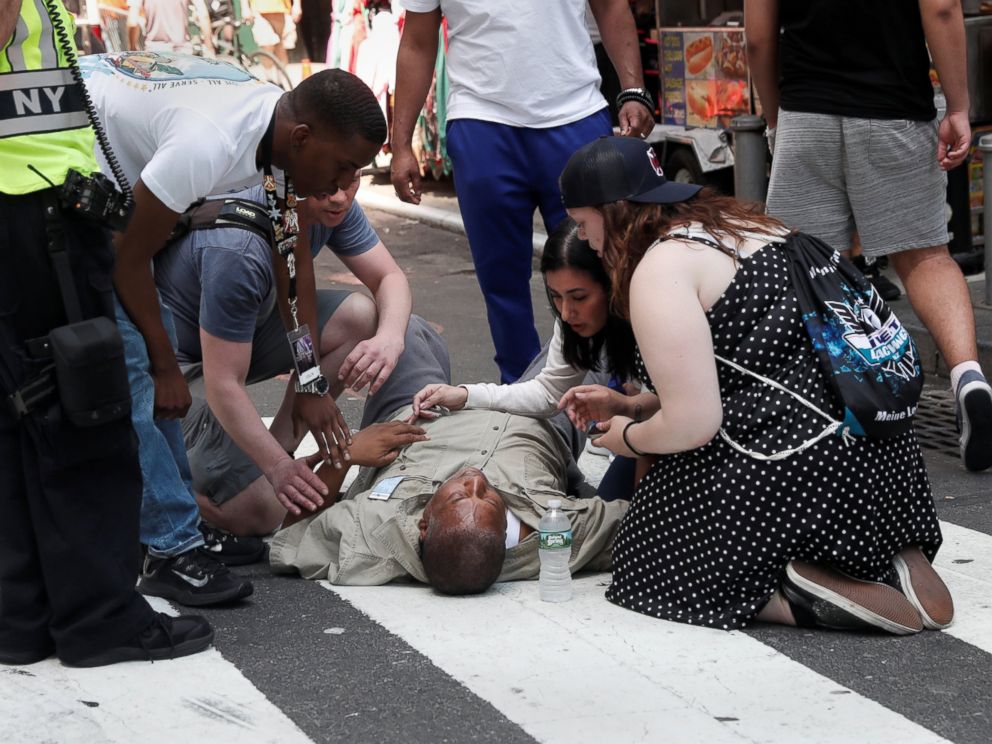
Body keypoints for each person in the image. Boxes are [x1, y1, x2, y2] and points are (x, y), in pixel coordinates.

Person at [559, 136, 953, 635]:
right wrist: (634, 405)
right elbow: (755, 372)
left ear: (613, 212)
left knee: (646, 551)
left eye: (584, 222)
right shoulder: (755, 226)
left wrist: (625, 436)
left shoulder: (661, 268)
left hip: (801, 474)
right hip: (884, 461)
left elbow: (695, 423)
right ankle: (890, 552)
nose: (585, 237)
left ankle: (794, 595)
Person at [79, 53, 385, 600]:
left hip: (125, 195)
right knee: (139, 374)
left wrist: (312, 382)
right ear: (303, 137)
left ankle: (177, 528)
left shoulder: (276, 141)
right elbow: (128, 260)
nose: (343, 184)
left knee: (154, 385)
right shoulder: (209, 147)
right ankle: (169, 549)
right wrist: (166, 363)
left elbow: (294, 264)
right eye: (341, 166)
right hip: (74, 171)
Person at [0, 0, 211, 667]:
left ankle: (22, 617)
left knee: (19, 420)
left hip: (26, 202)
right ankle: (99, 620)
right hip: (34, 209)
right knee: (81, 410)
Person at [745, 0, 992, 473]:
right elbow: (941, 8)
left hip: (806, 110)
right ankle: (968, 377)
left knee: (807, 270)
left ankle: (819, 411)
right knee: (926, 258)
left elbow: (757, 36)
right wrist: (959, 107)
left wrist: (777, 119)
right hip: (895, 109)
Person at [390, 0, 655, 384]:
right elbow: (416, 40)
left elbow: (612, 7)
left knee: (601, 268)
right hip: (482, 122)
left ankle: (612, 394)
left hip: (575, 112)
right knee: (501, 283)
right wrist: (400, 144)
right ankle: (521, 402)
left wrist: (634, 90)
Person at [270, 316, 628, 593]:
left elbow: (292, 539)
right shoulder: (555, 537)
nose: (475, 478)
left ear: (424, 525)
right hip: (539, 421)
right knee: (591, 322)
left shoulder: (377, 536)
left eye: (460, 494)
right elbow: (638, 525)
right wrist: (639, 418)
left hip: (416, 411)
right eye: (489, 497)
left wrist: (346, 455)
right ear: (507, 530)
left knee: (405, 326)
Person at [155, 174, 411, 537]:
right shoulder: (239, 245)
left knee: (360, 317)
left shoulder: (317, 205)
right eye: (330, 183)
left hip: (238, 339)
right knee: (264, 513)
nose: (340, 197)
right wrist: (276, 470)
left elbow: (389, 277)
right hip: (177, 374)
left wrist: (389, 337)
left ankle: (275, 452)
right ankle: (154, 491)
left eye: (351, 180)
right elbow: (224, 382)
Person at [410, 218, 650, 502]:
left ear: (612, 284)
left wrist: (632, 428)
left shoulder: (650, 311)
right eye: (556, 297)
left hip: (693, 435)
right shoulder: (573, 320)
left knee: (631, 521)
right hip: (652, 430)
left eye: (579, 296)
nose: (566, 312)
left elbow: (683, 414)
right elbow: (548, 392)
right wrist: (464, 394)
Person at [127, 0, 216, 55]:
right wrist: (209, 46)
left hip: (155, 52)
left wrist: (132, 47)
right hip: (183, 52)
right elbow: (203, 14)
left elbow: (133, 21)